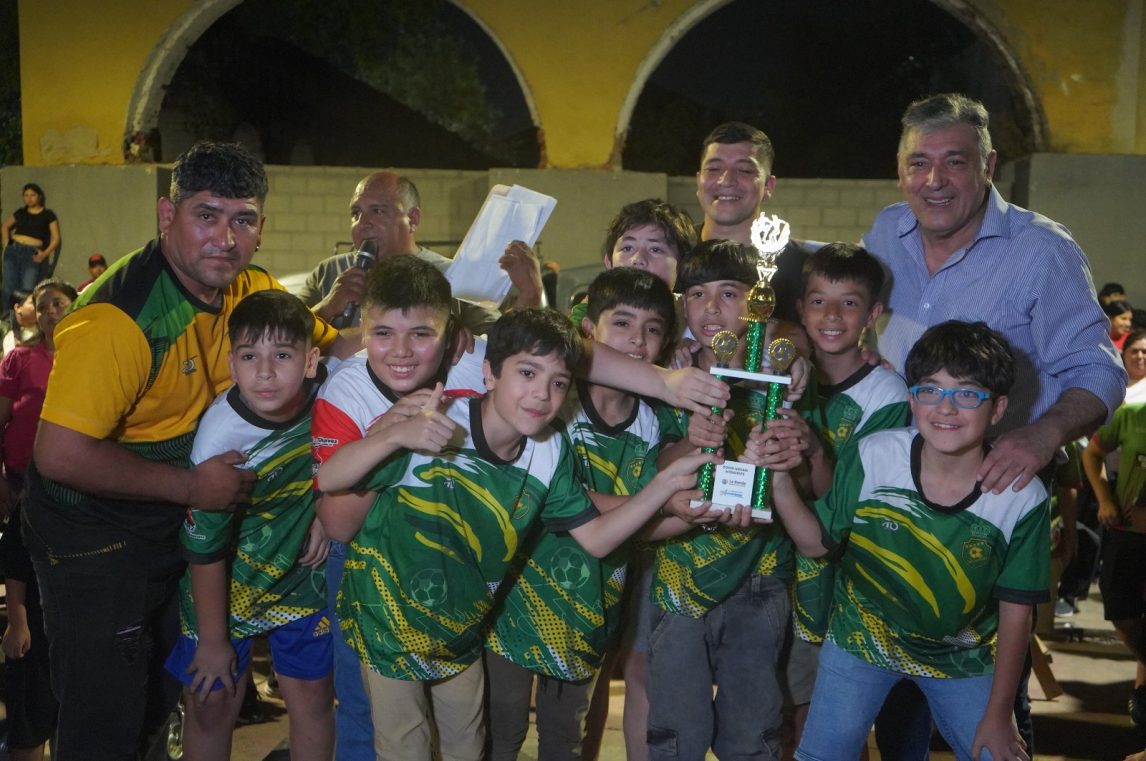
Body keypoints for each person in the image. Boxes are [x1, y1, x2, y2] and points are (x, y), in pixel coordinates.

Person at [20, 141, 341, 758]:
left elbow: (338, 351)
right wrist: (192, 488)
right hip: (88, 533)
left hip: (169, 522)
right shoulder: (118, 318)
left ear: (260, 229)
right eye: (207, 215)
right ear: (167, 216)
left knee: (162, 697)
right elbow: (58, 454)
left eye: (242, 219)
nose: (225, 237)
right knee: (105, 708)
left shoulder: (250, 288)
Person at [315, 307, 714, 761]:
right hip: (387, 620)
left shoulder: (548, 451)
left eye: (559, 382)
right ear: (489, 373)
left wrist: (663, 486)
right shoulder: (436, 422)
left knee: (469, 747)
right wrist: (391, 436)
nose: (542, 394)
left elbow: (598, 538)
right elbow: (329, 480)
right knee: (407, 749)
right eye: (527, 372)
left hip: (460, 632)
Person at [862, 90, 1126, 760]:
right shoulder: (882, 232)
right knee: (896, 707)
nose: (935, 180)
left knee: (990, 707)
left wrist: (1040, 437)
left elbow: (1098, 371)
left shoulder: (1041, 250)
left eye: (955, 162)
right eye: (919, 163)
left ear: (989, 166)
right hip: (895, 507)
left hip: (989, 504)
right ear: (899, 171)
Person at [768, 320, 1050, 761]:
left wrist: (999, 713)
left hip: (963, 654)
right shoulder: (874, 454)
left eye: (967, 393)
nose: (946, 408)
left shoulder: (1022, 495)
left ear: (997, 409)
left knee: (1000, 754)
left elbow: (1017, 617)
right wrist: (779, 478)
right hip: (863, 636)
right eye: (930, 390)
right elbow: (815, 544)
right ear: (912, 398)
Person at [484, 267, 709, 761]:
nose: (637, 340)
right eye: (622, 324)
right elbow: (560, 503)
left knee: (566, 741)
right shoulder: (551, 405)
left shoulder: (655, 420)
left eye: (652, 329)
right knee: (500, 735)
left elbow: (645, 523)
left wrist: (692, 513)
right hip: (513, 607)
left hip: (591, 611)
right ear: (588, 332)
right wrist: (662, 499)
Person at [163, 290, 335, 760]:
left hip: (301, 577)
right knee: (212, 704)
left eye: (282, 354)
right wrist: (215, 640)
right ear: (231, 362)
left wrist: (326, 509)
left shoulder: (334, 389)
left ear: (310, 360)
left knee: (315, 702)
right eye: (249, 355)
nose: (264, 371)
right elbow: (204, 548)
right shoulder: (220, 437)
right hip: (223, 586)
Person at [645, 239, 794, 761]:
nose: (712, 308)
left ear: (757, 300)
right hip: (680, 573)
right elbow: (659, 469)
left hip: (760, 572)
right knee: (675, 733)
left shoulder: (784, 372)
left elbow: (807, 472)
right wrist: (699, 437)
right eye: (697, 294)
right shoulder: (668, 375)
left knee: (752, 735)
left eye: (729, 293)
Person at [769, 243, 909, 758]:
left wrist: (812, 450)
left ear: (873, 315)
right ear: (799, 308)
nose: (831, 316)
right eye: (817, 301)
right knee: (768, 711)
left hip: (836, 580)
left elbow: (843, 505)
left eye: (848, 303)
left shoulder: (887, 395)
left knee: (822, 719)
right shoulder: (775, 366)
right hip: (764, 565)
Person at [297, 170, 542, 332]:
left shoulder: (452, 275)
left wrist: (530, 294)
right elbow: (283, 338)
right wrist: (328, 307)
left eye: (378, 210)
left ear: (412, 219)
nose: (363, 222)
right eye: (355, 213)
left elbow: (502, 343)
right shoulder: (328, 272)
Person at [0, 278, 76, 761]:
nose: (50, 311)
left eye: (59, 304)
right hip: (24, 480)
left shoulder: (88, 358)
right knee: (21, 560)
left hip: (75, 487)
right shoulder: (20, 360)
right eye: (43, 305)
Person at [1081, 334, 1146, 727]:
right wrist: (1104, 499)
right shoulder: (1132, 414)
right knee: (1120, 609)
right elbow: (1092, 453)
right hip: (1127, 530)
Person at [695, 122, 808, 323]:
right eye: (713, 168)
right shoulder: (670, 254)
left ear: (768, 186)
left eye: (745, 170)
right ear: (699, 181)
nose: (726, 180)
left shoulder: (801, 270)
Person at [1, 184, 61, 310]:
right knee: (9, 288)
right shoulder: (20, 212)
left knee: (27, 289)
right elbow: (5, 227)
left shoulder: (48, 214)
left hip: (31, 253)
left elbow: (56, 238)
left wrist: (44, 254)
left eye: (32, 195)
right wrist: (6, 245)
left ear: (39, 196)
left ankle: (25, 319)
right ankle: (8, 320)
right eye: (26, 195)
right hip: (14, 250)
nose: (29, 198)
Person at [1, 290, 36, 357]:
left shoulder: (47, 331)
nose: (38, 306)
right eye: (33, 303)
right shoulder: (10, 337)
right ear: (18, 308)